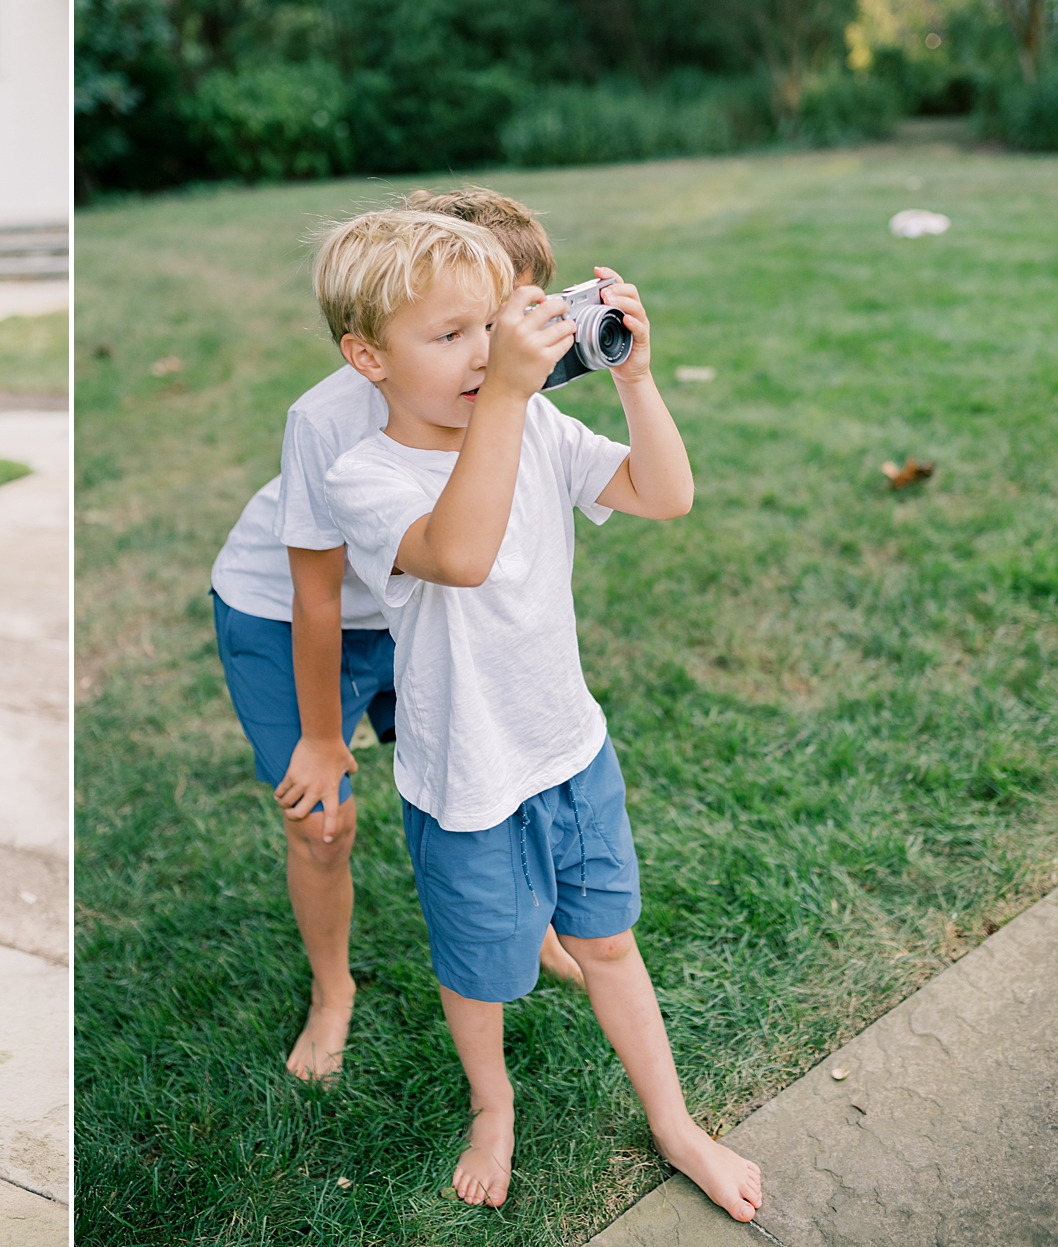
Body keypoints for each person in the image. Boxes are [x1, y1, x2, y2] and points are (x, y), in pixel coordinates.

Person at [319, 209, 765, 1220]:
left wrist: (633, 377)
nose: (482, 354)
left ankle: (673, 1120)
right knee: (479, 973)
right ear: (365, 358)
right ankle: (492, 1102)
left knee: (608, 942)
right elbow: (460, 553)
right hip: (465, 780)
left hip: (568, 750)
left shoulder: (537, 428)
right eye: (446, 337)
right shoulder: (366, 476)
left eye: (490, 325)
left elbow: (664, 494)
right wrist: (507, 402)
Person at [208, 188, 583, 1084]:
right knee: (323, 823)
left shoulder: (508, 389)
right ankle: (333, 991)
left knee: (492, 779)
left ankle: (537, 926)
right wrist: (324, 735)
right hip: (298, 613)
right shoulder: (329, 417)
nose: (512, 343)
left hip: (427, 609)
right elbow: (316, 594)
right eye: (487, 320)